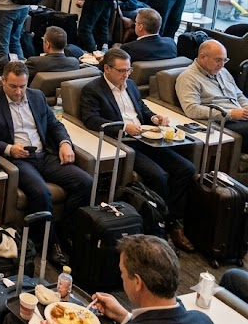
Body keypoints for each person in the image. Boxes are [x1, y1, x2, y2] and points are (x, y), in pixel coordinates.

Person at [0, 61, 92, 266]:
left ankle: (66, 232)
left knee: (85, 182)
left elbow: (55, 124)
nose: (18, 92)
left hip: (45, 155)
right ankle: (49, 244)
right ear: (3, 80)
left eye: (22, 86)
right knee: (41, 192)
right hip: (19, 159)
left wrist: (64, 143)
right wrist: (9, 148)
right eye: (13, 86)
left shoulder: (37, 96)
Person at [80, 48, 196, 251]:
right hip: (124, 142)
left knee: (186, 168)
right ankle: (165, 227)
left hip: (147, 137)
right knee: (158, 176)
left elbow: (141, 108)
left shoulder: (131, 85)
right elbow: (91, 119)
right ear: (106, 69)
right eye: (121, 71)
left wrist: (154, 118)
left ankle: (172, 218)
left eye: (129, 70)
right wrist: (124, 127)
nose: (126, 75)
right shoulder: (93, 89)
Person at [55, 235, 214, 324]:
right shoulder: (203, 321)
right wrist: (126, 317)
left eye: (122, 272)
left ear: (138, 282)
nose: (122, 277)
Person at [175, 39, 248, 139]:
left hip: (240, 116)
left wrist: (246, 106)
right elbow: (192, 110)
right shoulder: (188, 78)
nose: (222, 65)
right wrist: (229, 114)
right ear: (202, 57)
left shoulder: (223, 71)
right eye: (218, 60)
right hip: (223, 122)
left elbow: (238, 94)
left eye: (225, 60)